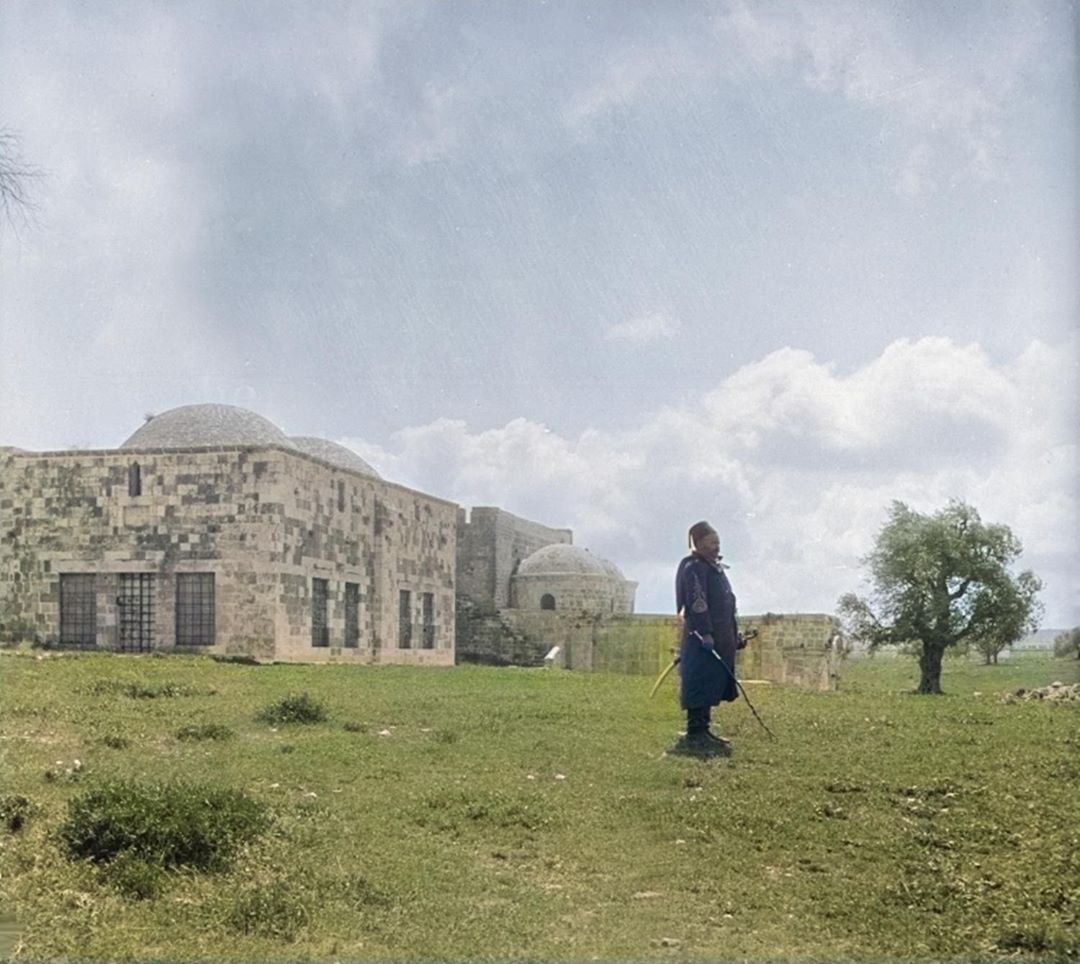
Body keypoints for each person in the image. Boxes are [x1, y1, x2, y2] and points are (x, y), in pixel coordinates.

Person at [669, 520, 743, 758]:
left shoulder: (713, 567)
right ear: (699, 544)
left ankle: (704, 728)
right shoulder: (694, 568)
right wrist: (705, 632)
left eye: (717, 543)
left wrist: (733, 635)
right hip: (701, 638)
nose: (716, 547)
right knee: (700, 681)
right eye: (711, 543)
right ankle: (695, 732)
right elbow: (697, 602)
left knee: (712, 682)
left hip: (721, 635)